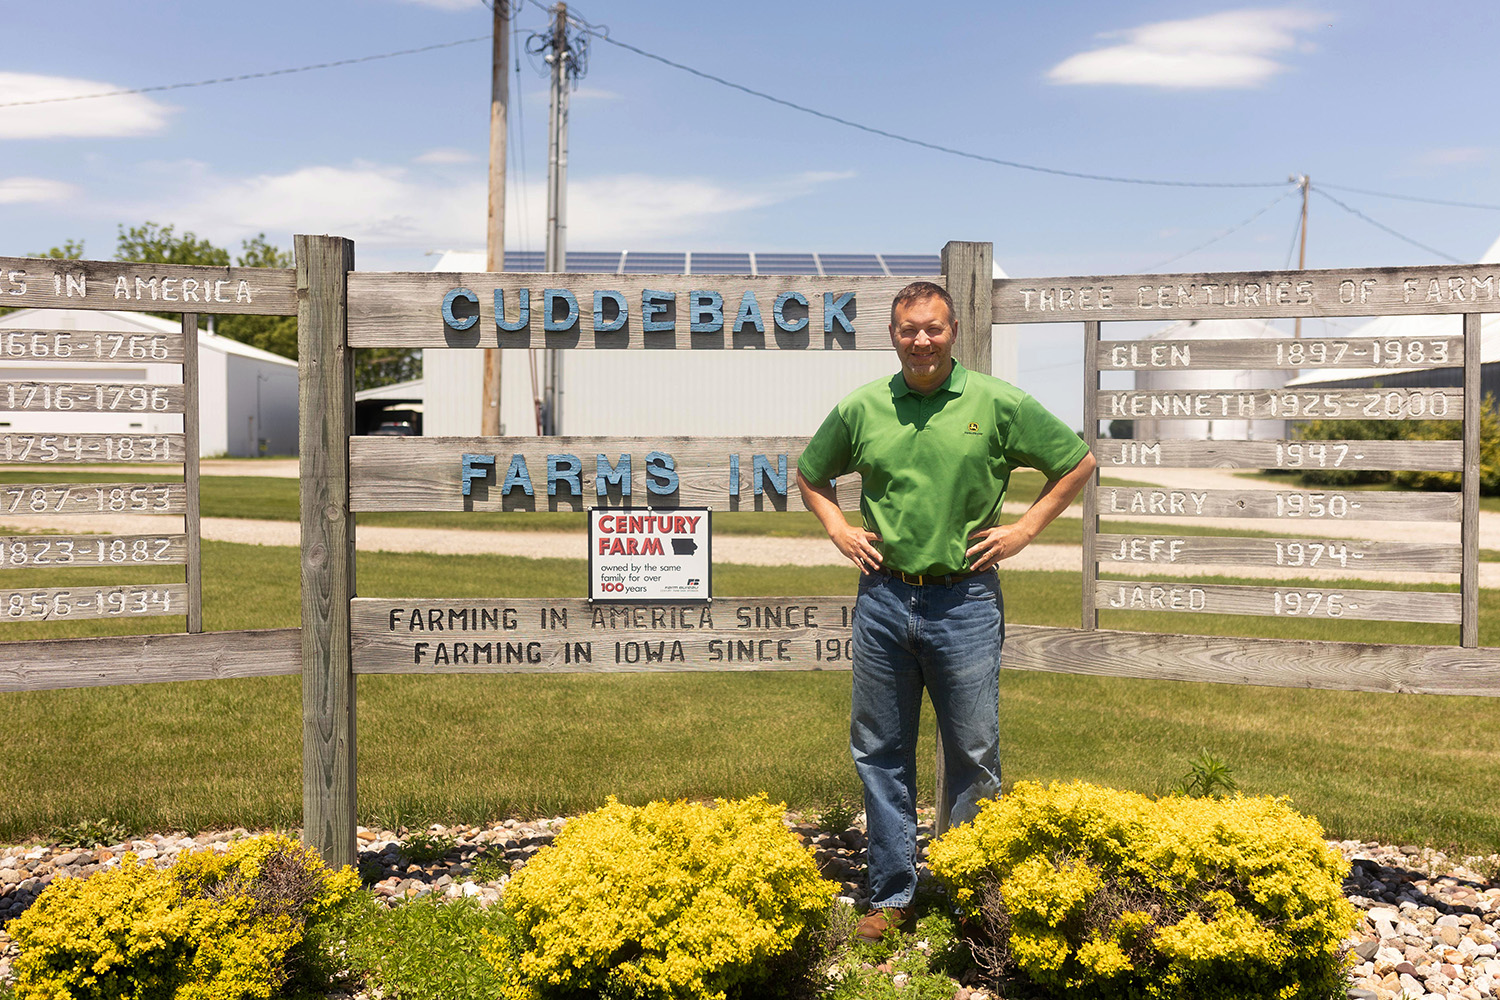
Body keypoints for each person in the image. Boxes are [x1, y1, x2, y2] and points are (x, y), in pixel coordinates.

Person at [795, 280, 1096, 941]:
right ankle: (894, 896)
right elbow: (811, 473)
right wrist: (839, 528)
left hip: (965, 600)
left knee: (974, 751)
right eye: (909, 330)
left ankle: (966, 894)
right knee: (880, 750)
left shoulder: (994, 403)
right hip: (883, 598)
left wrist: (1023, 531)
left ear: (953, 330)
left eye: (933, 328)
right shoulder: (865, 407)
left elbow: (1075, 462)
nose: (921, 340)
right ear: (894, 334)